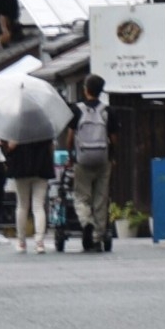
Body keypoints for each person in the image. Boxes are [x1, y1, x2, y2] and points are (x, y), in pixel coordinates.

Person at [64, 76, 117, 251]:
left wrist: (71, 156)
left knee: (81, 196)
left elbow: (70, 138)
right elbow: (113, 138)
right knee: (101, 198)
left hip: (82, 160)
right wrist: (112, 156)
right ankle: (97, 236)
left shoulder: (76, 110)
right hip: (103, 159)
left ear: (86, 89)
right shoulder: (107, 111)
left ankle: (86, 222)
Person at [6, 133, 52, 255]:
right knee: (38, 206)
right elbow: (50, 144)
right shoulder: (44, 125)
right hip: (42, 167)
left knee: (22, 206)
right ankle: (39, 242)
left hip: (21, 167)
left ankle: (21, 242)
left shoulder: (17, 127)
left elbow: (10, 146)